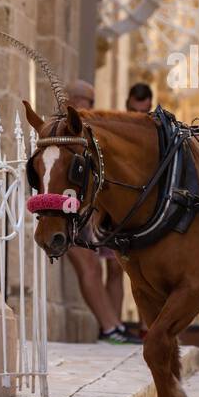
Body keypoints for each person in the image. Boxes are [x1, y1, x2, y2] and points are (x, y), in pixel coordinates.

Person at [64, 79, 136, 344]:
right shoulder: (63, 128)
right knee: (90, 266)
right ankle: (109, 328)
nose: (91, 106)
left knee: (114, 266)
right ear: (71, 100)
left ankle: (114, 327)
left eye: (92, 101)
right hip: (68, 208)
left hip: (94, 208)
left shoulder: (86, 128)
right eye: (87, 100)